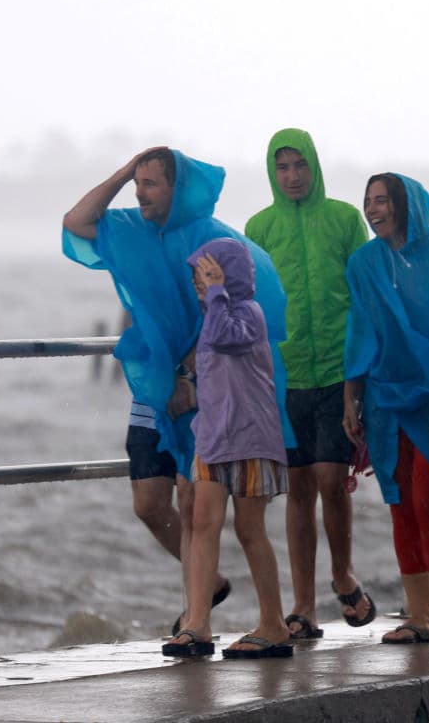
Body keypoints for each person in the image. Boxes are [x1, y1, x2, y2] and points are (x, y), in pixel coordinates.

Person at [62, 147, 291, 636]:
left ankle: (198, 618)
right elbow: (77, 221)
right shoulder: (130, 228)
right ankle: (207, 591)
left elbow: (253, 307)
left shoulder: (213, 237)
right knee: (149, 502)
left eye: (151, 183)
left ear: (176, 187)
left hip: (211, 394)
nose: (142, 193)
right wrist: (124, 173)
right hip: (152, 384)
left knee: (199, 508)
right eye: (138, 184)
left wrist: (188, 379)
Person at [245, 128, 376, 639]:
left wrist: (357, 379)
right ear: (272, 172)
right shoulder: (259, 226)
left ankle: (342, 573)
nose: (293, 176)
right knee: (298, 488)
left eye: (300, 166)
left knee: (329, 480)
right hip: (284, 374)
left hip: (336, 374)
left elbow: (362, 299)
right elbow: (246, 299)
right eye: (283, 168)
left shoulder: (344, 220)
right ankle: (302, 607)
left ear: (315, 166)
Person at [342, 173, 429, 644]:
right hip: (383, 399)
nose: (373, 209)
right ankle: (417, 616)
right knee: (400, 505)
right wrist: (349, 399)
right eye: (368, 201)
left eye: (383, 200)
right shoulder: (363, 263)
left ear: (405, 204)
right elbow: (359, 333)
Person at [163, 238, 293, 659]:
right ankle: (197, 622)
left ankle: (273, 624)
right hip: (214, 438)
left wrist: (218, 291)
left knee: (249, 529)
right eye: (199, 277)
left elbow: (224, 336)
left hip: (250, 438)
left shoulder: (248, 314)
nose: (200, 284)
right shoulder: (213, 315)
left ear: (228, 274)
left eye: (208, 274)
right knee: (202, 521)